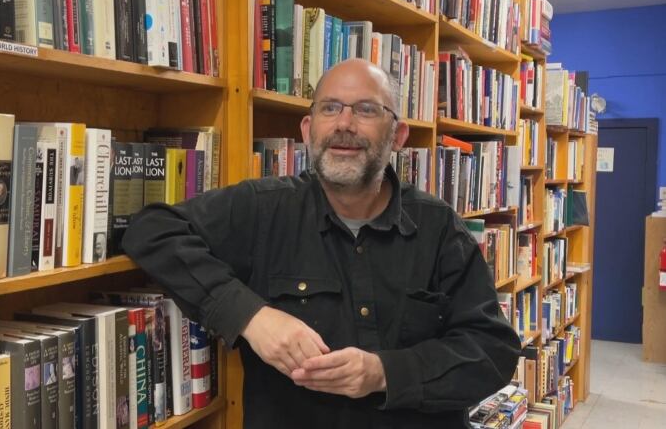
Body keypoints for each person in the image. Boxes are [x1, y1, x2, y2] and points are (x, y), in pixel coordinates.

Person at [122, 59, 520, 428]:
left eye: (365, 109)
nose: (344, 123)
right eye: (330, 108)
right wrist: (251, 316)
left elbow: (493, 352)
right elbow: (150, 229)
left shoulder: (439, 228)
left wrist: (383, 373)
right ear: (308, 130)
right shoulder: (261, 209)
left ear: (398, 136)